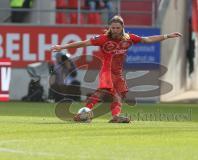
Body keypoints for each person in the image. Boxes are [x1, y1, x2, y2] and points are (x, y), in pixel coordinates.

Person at [50, 15, 182, 123]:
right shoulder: (103, 39)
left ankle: (115, 116)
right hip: (106, 70)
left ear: (122, 27)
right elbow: (83, 43)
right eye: (112, 27)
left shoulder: (129, 38)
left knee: (118, 95)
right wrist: (62, 47)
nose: (115, 30)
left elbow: (146, 40)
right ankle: (84, 113)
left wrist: (167, 36)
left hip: (118, 72)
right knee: (102, 91)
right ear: (109, 28)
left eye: (117, 27)